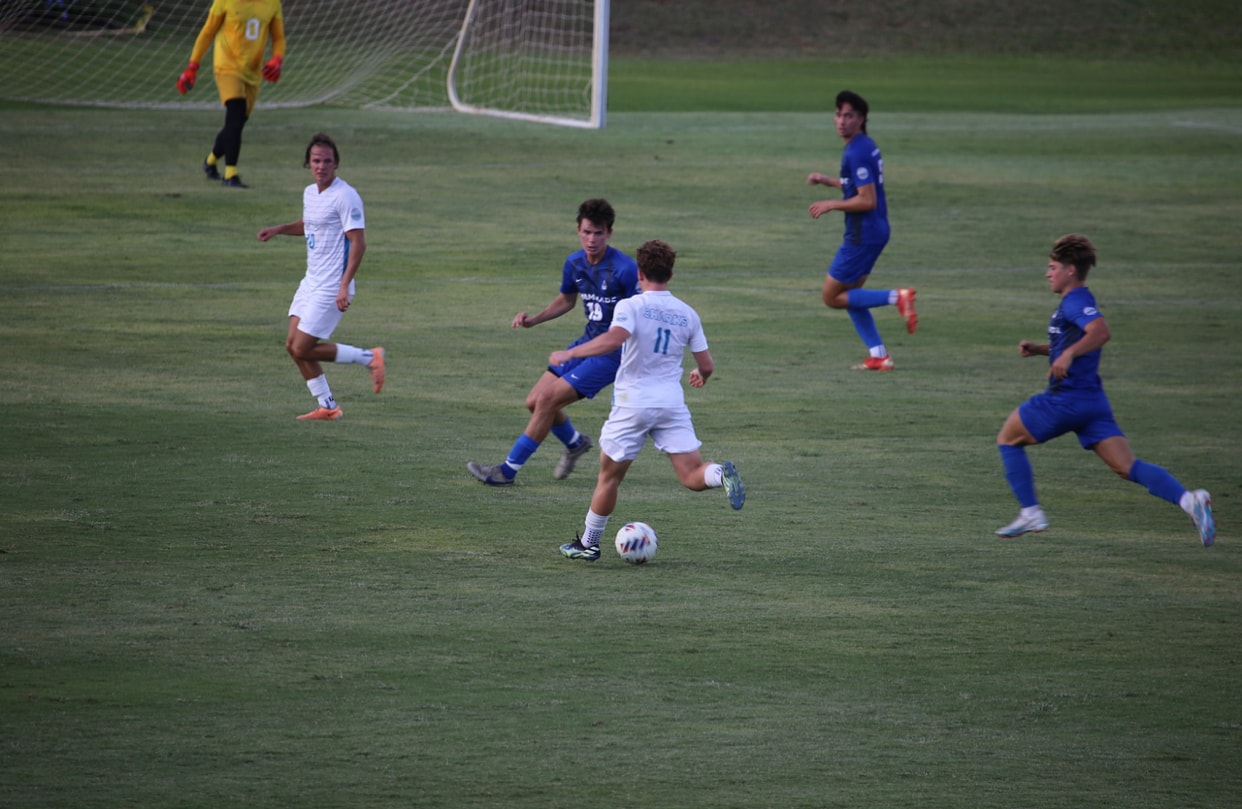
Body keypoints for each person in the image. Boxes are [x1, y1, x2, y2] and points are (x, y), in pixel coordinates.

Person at [994, 233, 1215, 546]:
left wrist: (1068, 354)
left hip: (1065, 401)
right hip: (1092, 404)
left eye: (1052, 267)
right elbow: (1073, 341)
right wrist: (1042, 349)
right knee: (1127, 467)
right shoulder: (1076, 302)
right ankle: (1190, 500)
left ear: (1071, 270)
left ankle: (1030, 512)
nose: (1048, 273)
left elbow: (1100, 332)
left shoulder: (1076, 301)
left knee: (1007, 439)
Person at [556, 240, 745, 561]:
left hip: (633, 404)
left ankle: (588, 544)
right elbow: (708, 365)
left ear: (640, 273)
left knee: (609, 477)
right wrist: (701, 375)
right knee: (692, 474)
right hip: (671, 404)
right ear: (670, 273)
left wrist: (571, 352)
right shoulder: (688, 313)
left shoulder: (630, 305)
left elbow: (614, 339)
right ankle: (720, 474)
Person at [467, 199, 639, 486]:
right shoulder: (574, 263)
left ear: (609, 233)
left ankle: (505, 472)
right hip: (587, 341)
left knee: (547, 400)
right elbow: (567, 300)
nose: (592, 239)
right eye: (587, 232)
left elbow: (641, 314)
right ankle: (575, 443)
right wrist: (535, 319)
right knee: (534, 401)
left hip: (613, 352)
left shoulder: (624, 269)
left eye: (598, 233)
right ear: (578, 231)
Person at [257, 133, 385, 421]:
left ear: (336, 163)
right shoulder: (310, 193)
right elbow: (310, 224)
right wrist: (279, 229)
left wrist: (343, 285)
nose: (321, 166)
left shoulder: (345, 196)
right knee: (293, 347)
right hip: (311, 282)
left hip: (331, 286)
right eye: (316, 161)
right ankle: (328, 406)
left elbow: (358, 243)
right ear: (308, 163)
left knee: (303, 347)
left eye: (327, 161)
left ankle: (370, 358)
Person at [807, 89, 917, 371]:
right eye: (838, 115)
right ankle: (879, 355)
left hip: (863, 235)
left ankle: (898, 297)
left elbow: (867, 200)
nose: (842, 121)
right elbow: (857, 186)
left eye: (849, 116)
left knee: (831, 297)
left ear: (862, 118)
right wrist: (828, 181)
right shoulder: (864, 145)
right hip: (875, 231)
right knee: (852, 295)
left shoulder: (856, 151)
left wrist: (832, 203)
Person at [176, 0, 286, 188]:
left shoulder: (272, 3)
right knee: (236, 113)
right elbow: (208, 31)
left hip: (253, 71)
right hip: (226, 65)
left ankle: (210, 161)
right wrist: (192, 66)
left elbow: (278, 38)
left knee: (236, 123)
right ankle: (230, 174)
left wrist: (277, 59)